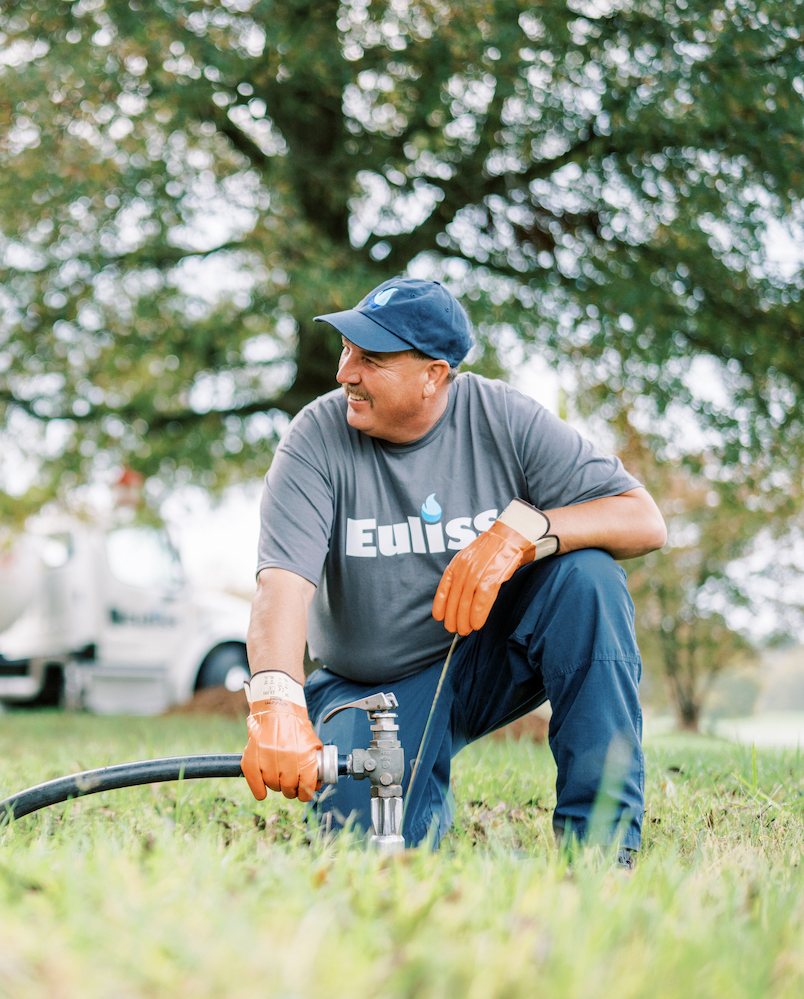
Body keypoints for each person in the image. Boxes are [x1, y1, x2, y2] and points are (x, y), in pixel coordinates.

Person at [239, 278, 666, 855]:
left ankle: (600, 853)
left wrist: (530, 533)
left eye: (372, 358)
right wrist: (276, 705)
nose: (346, 373)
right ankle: (415, 789)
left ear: (434, 375)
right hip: (371, 686)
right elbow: (281, 587)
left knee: (588, 577)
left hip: (482, 663)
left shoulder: (503, 417)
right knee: (357, 846)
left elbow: (643, 520)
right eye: (346, 350)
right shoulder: (315, 438)